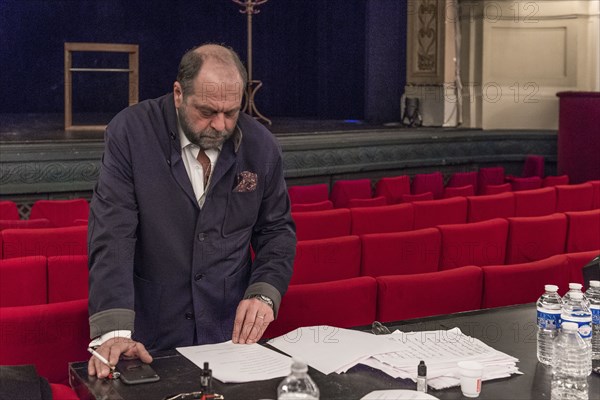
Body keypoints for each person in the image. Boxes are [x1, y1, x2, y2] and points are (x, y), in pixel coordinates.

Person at [87, 44, 296, 378]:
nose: (221, 124)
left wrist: (265, 295)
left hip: (230, 337)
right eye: (208, 111)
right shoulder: (130, 132)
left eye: (231, 112)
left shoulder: (261, 146)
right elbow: (113, 233)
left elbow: (276, 231)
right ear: (178, 93)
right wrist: (114, 331)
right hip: (151, 337)